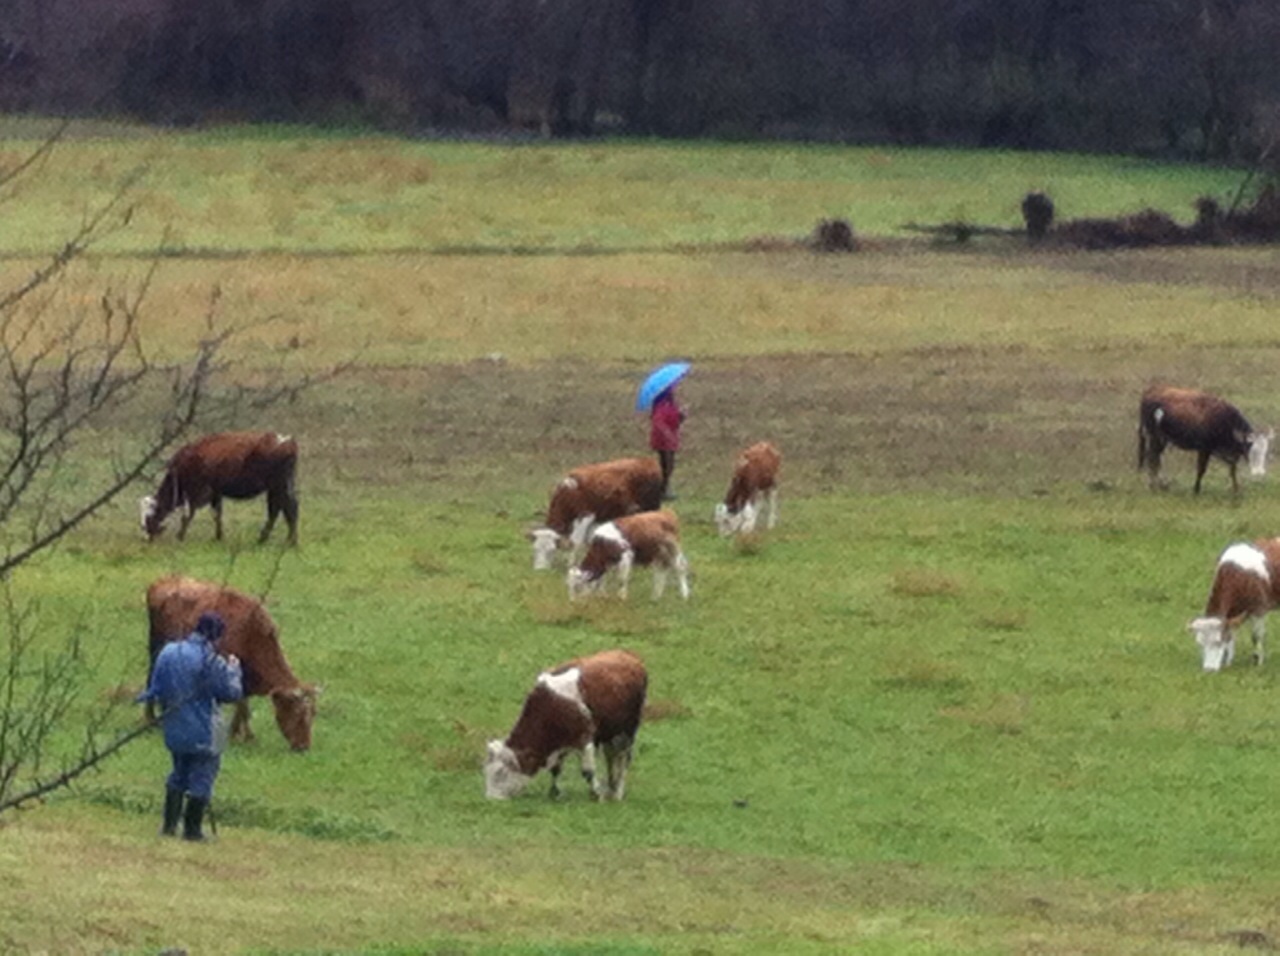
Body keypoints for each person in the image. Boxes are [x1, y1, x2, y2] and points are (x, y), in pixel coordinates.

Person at [138, 611, 243, 842]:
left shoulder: (168, 651)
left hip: (174, 727)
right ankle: (192, 830)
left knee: (178, 774)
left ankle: (168, 826)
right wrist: (234, 670)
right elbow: (230, 693)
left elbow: (155, 688)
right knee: (202, 777)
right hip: (202, 730)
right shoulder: (210, 660)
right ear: (215, 637)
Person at [649, 385, 686, 500]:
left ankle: (664, 489)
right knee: (666, 465)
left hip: (670, 439)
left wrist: (681, 416)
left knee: (669, 465)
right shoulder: (661, 406)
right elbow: (657, 422)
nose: (674, 393)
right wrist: (666, 433)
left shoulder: (671, 405)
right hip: (663, 440)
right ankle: (662, 490)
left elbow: (675, 421)